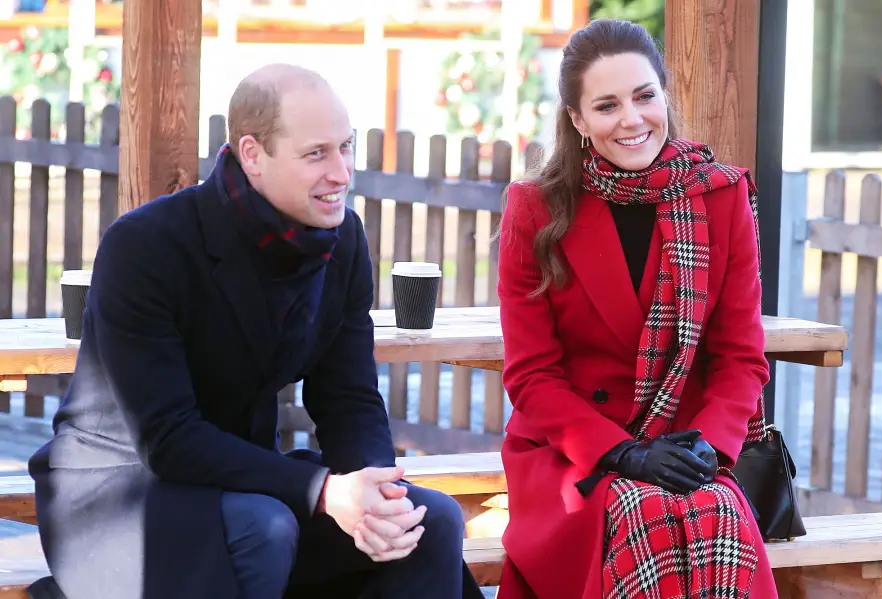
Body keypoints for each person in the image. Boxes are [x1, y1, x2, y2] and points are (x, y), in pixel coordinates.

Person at [27, 64, 483, 599]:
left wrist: (374, 495)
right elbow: (168, 438)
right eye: (316, 154)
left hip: (246, 481)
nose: (341, 172)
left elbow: (349, 397)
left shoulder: (344, 241)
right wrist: (322, 491)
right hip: (118, 496)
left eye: (346, 147)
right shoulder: (145, 246)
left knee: (429, 524)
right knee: (264, 527)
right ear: (252, 155)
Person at [495, 19, 779, 599]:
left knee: (717, 515)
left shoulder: (721, 197)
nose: (631, 119)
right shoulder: (535, 210)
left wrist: (707, 444)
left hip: (686, 448)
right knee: (638, 512)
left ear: (664, 96)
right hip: (572, 456)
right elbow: (531, 378)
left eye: (645, 96)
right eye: (607, 105)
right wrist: (621, 451)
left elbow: (741, 359)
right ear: (577, 120)